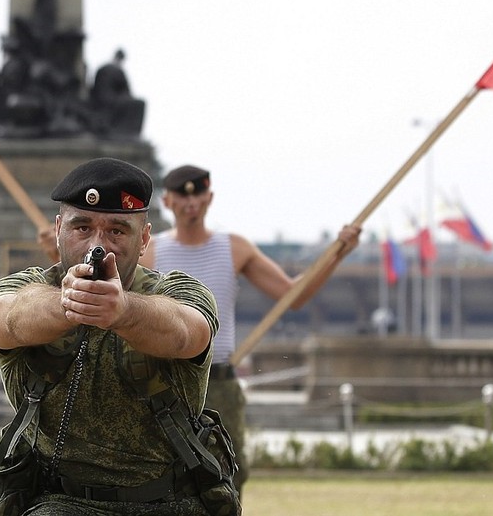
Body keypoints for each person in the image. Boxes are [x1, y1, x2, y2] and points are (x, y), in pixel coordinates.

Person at [0, 158, 240, 515]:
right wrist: (67, 304)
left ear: (144, 238)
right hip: (60, 502)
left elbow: (187, 332)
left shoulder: (178, 291)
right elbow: (5, 319)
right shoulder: (26, 289)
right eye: (81, 227)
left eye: (117, 230)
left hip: (170, 502)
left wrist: (125, 312)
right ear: (58, 230)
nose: (97, 244)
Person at [137, 164, 362, 496]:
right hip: (166, 376)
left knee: (227, 471)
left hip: (219, 377)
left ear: (209, 197)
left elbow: (291, 296)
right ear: (167, 202)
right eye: (181, 197)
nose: (191, 204)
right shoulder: (150, 251)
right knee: (157, 470)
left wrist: (338, 254)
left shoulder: (234, 248)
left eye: (198, 194)